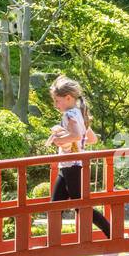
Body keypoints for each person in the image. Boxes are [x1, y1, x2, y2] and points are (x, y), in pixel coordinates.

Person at [47, 76, 111, 239]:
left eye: (57, 100)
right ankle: (51, 248)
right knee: (55, 207)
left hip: (72, 166)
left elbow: (75, 135)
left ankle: (114, 233)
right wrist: (69, 138)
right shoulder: (80, 114)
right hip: (68, 166)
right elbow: (92, 139)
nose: (56, 105)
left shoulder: (69, 114)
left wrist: (59, 140)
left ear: (68, 98)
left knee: (81, 207)